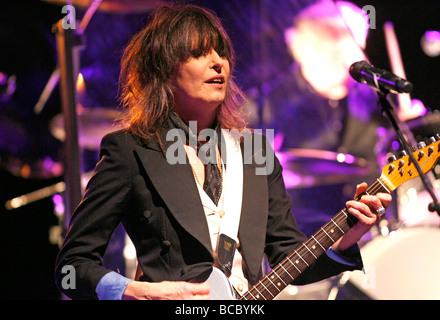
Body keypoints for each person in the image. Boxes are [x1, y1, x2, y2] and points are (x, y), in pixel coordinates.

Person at [54, 4, 391, 300]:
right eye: (200, 53)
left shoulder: (254, 150)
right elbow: (72, 267)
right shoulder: (132, 149)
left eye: (222, 53)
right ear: (164, 70)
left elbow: (290, 259)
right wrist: (137, 291)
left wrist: (348, 236)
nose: (218, 64)